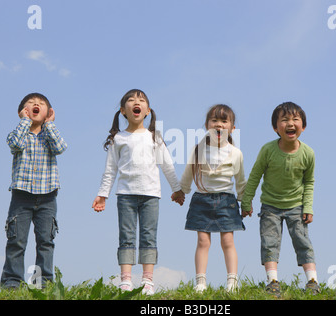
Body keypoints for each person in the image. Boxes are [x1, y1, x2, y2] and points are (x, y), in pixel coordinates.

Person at [92, 89, 184, 295]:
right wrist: (102, 194)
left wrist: (177, 189)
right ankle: (126, 280)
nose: (136, 102)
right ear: (123, 111)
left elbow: (167, 165)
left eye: (141, 100)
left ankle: (147, 281)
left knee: (148, 236)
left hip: (151, 195)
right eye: (131, 100)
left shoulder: (154, 137)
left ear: (147, 111)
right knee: (126, 236)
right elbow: (110, 170)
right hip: (125, 195)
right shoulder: (118, 139)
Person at [241, 102, 320, 296]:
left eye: (295, 119)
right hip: (270, 206)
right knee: (269, 242)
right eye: (284, 120)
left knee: (303, 241)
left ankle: (312, 281)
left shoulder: (308, 153)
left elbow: (309, 182)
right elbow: (255, 175)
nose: (290, 123)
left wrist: (308, 207)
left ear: (303, 126)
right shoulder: (268, 150)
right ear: (276, 128)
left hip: (297, 206)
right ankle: (272, 281)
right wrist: (246, 201)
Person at [0, 93, 67, 289]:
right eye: (31, 103)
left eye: (42, 103)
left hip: (47, 197)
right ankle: (12, 282)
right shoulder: (18, 134)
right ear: (23, 111)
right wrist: (24, 121)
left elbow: (61, 147)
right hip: (21, 195)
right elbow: (14, 144)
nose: (36, 104)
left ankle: (42, 283)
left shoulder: (49, 134)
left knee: (45, 242)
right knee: (16, 241)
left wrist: (50, 125)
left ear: (48, 113)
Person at [179, 104, 246, 292]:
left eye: (224, 121)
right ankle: (200, 282)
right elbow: (188, 173)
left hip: (226, 201)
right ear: (207, 125)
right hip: (202, 200)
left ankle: (232, 282)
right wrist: (181, 191)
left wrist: (245, 201)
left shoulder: (236, 153)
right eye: (214, 120)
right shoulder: (198, 150)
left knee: (228, 241)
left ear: (232, 128)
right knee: (203, 241)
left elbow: (241, 180)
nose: (219, 125)